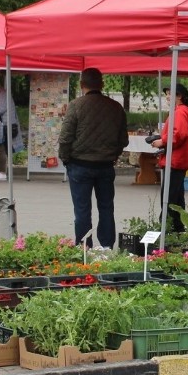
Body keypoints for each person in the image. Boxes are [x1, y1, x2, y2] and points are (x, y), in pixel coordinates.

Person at [58, 68, 128, 248]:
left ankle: (84, 247)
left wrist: (65, 159)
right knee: (106, 208)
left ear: (82, 85)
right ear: (102, 84)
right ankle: (107, 246)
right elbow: (123, 140)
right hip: (105, 166)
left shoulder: (75, 105)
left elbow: (65, 138)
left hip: (79, 165)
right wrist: (113, 155)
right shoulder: (115, 107)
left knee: (82, 210)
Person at [151, 84, 188, 232]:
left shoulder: (179, 112)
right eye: (167, 94)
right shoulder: (180, 111)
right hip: (176, 160)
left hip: (174, 161)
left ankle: (165, 230)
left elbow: (179, 134)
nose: (167, 96)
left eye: (170, 94)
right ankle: (178, 229)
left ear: (179, 96)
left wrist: (163, 141)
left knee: (168, 199)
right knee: (177, 199)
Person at [0, 77, 23, 181]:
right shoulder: (1, 93)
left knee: (1, 149)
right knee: (1, 149)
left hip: (4, 126)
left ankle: (2, 172)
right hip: (2, 125)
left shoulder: (2, 93)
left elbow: (0, 109)